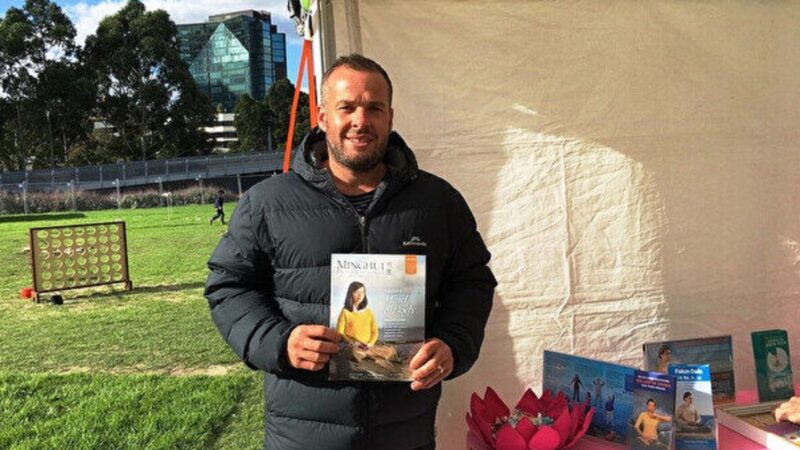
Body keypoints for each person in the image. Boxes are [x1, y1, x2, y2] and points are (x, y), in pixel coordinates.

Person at [204, 54, 497, 450]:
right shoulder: (268, 203)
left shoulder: (438, 202)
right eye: (347, 107)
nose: (361, 120)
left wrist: (453, 343)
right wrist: (279, 342)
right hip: (303, 435)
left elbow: (472, 281)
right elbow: (228, 287)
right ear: (323, 117)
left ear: (390, 118)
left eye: (374, 108)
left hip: (405, 433)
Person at [336, 281, 378, 345]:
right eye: (356, 292)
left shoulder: (369, 312)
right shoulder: (345, 312)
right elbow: (340, 332)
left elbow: (375, 332)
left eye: (362, 292)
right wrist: (351, 342)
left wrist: (370, 343)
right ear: (350, 294)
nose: (360, 295)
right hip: (351, 346)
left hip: (367, 346)